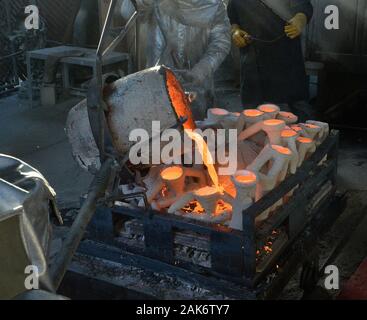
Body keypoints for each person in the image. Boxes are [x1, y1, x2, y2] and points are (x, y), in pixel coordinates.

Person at [121, 0, 232, 119]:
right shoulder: (158, 4)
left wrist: (202, 69)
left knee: (196, 130)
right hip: (157, 82)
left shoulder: (213, 6)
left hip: (198, 88)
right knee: (159, 128)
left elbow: (221, 43)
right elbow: (127, 12)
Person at [227, 0, 314, 121]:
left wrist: (300, 19)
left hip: (286, 60)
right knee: (252, 118)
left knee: (299, 117)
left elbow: (304, 6)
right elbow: (232, 17)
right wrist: (234, 31)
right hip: (252, 63)